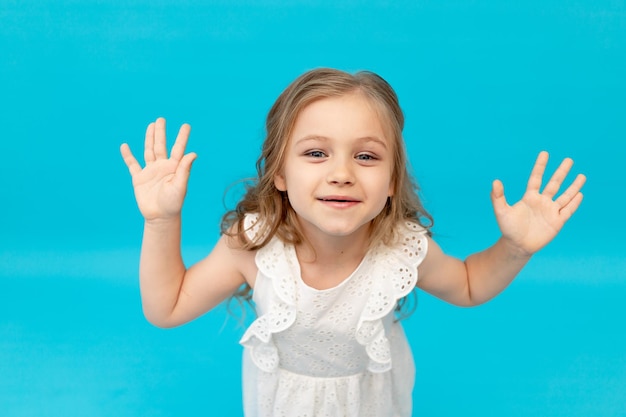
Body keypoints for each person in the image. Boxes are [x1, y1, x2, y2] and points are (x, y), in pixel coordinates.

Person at [120, 68, 586, 417]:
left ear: (390, 182)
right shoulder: (255, 244)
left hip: (372, 401)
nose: (341, 173)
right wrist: (162, 219)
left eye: (365, 156)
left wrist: (516, 247)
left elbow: (467, 285)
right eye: (316, 153)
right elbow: (167, 308)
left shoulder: (402, 246)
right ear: (280, 173)